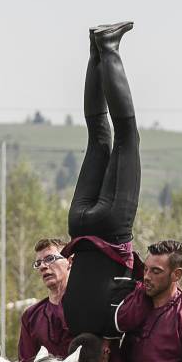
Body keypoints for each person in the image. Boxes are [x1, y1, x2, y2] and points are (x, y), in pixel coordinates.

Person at [58, 21, 145, 339]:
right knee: (97, 136)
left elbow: (144, 299)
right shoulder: (72, 321)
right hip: (78, 226)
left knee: (127, 135)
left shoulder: (112, 328)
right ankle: (95, 51)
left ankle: (108, 47)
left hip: (111, 228)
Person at [17, 238, 73, 362]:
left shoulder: (89, 305)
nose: (42, 266)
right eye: (38, 263)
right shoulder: (31, 316)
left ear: (70, 261)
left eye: (49, 259)